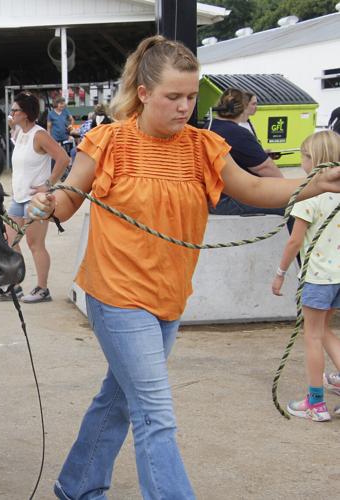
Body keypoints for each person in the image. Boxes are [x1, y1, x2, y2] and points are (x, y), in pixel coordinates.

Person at [28, 35, 340, 500]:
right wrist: (48, 202)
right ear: (144, 93)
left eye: (191, 97)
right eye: (173, 97)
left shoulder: (204, 147)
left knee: (118, 398)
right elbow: (69, 202)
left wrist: (316, 183)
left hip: (170, 297)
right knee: (155, 412)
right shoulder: (108, 140)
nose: (184, 107)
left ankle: (76, 485)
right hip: (115, 295)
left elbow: (256, 191)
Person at [271, 130, 340, 421]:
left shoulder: (308, 193)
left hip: (317, 277)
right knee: (324, 331)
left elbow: (294, 241)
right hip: (337, 278)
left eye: (304, 156)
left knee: (311, 336)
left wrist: (280, 273)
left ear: (313, 161)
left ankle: (315, 403)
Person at [0, 91, 69, 304]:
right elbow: (14, 135)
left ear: (26, 113)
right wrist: (13, 125)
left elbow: (63, 158)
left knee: (35, 244)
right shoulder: (20, 133)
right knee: (9, 241)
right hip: (18, 198)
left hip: (36, 200)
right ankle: (16, 285)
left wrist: (47, 185)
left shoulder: (40, 135)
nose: (11, 113)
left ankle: (42, 288)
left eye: (15, 110)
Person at [209, 88, 286, 216]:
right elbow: (266, 168)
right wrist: (284, 188)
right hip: (228, 200)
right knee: (293, 205)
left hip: (213, 198)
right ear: (243, 108)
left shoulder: (209, 126)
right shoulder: (238, 133)